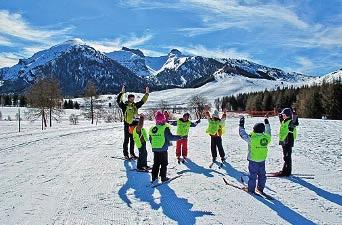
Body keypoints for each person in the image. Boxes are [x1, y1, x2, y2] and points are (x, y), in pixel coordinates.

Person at [239, 116, 272, 194]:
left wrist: (241, 125)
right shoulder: (267, 138)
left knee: (253, 175)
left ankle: (251, 189)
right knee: (262, 175)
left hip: (253, 160)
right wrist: (267, 123)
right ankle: (261, 188)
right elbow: (268, 131)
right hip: (262, 160)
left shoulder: (252, 139)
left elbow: (242, 134)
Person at [149, 111, 184, 183]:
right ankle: (163, 177)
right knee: (164, 163)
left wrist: (154, 145)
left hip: (155, 149)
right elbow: (170, 137)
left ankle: (154, 177)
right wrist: (179, 137)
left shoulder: (152, 128)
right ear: (163, 120)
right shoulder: (165, 128)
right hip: (163, 149)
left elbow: (150, 138)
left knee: (156, 163)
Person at [117, 85, 149, 159]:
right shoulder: (124, 105)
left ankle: (132, 153)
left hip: (134, 124)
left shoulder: (135, 105)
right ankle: (125, 154)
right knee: (126, 140)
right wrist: (122, 92)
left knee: (133, 140)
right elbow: (119, 100)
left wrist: (146, 94)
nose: (132, 100)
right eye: (131, 98)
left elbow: (142, 101)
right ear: (128, 99)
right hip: (127, 125)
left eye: (133, 98)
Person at [277, 107, 299, 176]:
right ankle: (284, 170)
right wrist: (280, 114)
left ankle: (287, 172)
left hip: (288, 141)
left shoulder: (290, 122)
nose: (282, 116)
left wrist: (294, 113)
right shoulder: (284, 121)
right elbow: (281, 118)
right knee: (285, 157)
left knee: (287, 157)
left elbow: (295, 122)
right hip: (284, 141)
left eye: (284, 115)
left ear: (288, 115)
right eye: (282, 115)